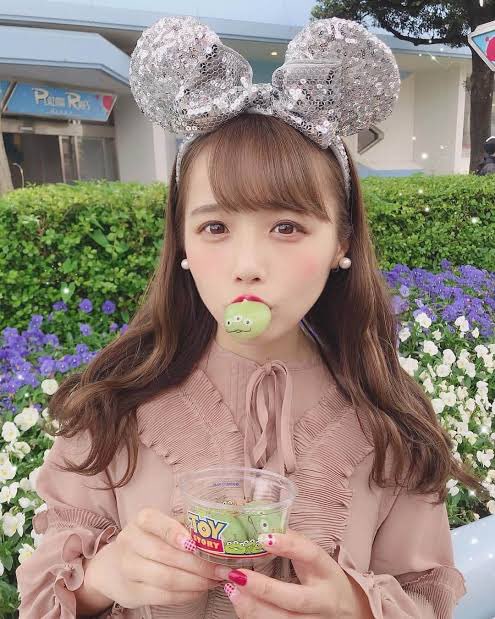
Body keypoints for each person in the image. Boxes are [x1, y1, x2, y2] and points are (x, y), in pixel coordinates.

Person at [16, 16, 484, 619]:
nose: (247, 266)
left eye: (287, 227)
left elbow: (428, 596)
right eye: (215, 227)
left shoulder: (389, 419)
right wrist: (101, 579)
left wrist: (356, 605)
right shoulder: (114, 404)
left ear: (342, 242)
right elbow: (42, 596)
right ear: (182, 245)